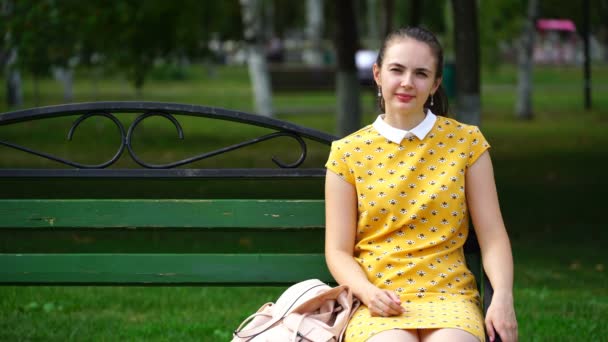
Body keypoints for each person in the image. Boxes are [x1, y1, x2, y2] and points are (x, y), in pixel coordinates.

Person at [324, 27, 517, 342]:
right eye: (396, 70)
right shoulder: (347, 153)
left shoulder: (467, 143)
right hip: (377, 298)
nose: (407, 83)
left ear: (435, 84)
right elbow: (337, 251)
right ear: (377, 74)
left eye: (421, 74)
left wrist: (503, 298)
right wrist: (368, 293)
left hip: (450, 296)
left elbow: (493, 237)